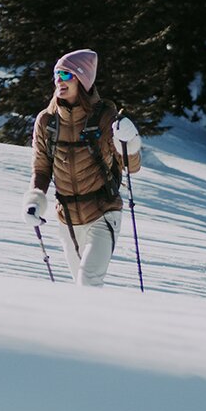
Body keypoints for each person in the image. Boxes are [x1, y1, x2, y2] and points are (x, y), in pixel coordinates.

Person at [22, 49, 141, 287]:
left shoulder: (105, 117)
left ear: (83, 80)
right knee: (81, 286)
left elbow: (130, 167)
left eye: (67, 76)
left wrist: (130, 143)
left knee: (88, 281)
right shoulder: (46, 121)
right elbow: (42, 167)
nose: (59, 81)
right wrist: (34, 199)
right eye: (57, 75)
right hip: (67, 218)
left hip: (103, 213)